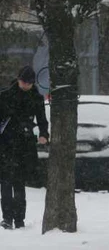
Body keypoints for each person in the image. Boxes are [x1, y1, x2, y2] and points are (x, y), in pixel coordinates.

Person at [0, 66, 49, 229]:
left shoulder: (36, 97)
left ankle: (19, 219)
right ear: (18, 79)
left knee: (19, 183)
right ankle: (7, 218)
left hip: (24, 144)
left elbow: (42, 119)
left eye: (28, 83)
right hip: (5, 144)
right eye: (23, 82)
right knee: (6, 183)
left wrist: (44, 134)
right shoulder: (5, 95)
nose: (25, 85)